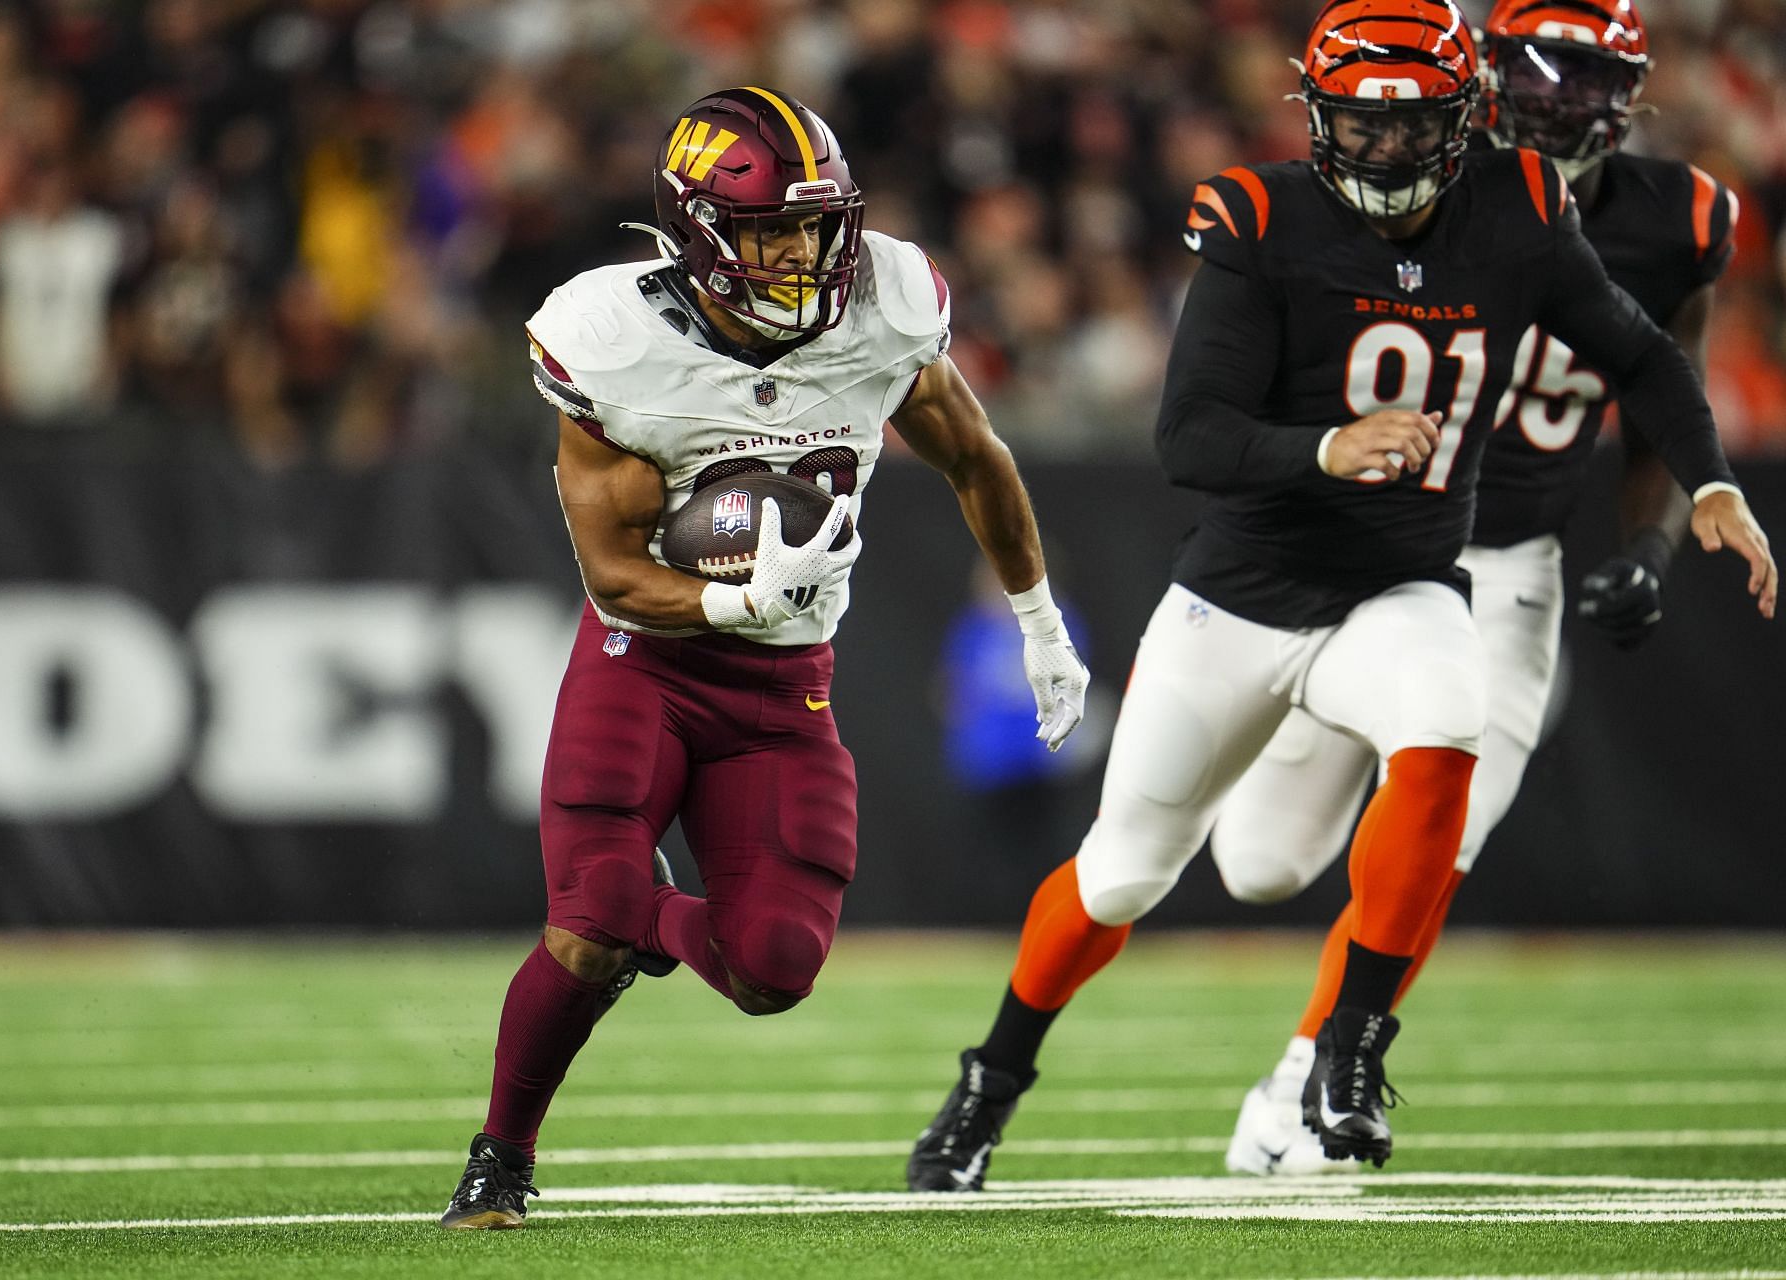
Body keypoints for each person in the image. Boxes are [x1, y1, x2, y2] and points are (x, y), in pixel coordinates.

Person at [906, 0, 1774, 1192]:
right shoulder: (1262, 216)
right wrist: (1324, 448)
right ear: (1318, 120)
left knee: (1447, 723)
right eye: (1361, 126)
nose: (1383, 150)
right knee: (1130, 870)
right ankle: (989, 1081)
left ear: (1461, 121)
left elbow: (1642, 351)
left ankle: (1348, 1054)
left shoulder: (1519, 212)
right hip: (1244, 598)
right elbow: (1191, 436)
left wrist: (1706, 483)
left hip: (1407, 581)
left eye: (1412, 124)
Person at [438, 86, 1090, 1229]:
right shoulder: (615, 344)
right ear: (696, 232)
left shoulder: (886, 308)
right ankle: (501, 1154)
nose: (799, 252)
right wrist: (731, 595)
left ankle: (646, 910)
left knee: (772, 970)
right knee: (588, 925)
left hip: (787, 685)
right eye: (766, 230)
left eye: (814, 224)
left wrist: (1037, 622)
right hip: (647, 663)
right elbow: (612, 574)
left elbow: (978, 458)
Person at [1217, 0, 1750, 1176]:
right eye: (1541, 75)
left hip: (1507, 567)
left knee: (1440, 839)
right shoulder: (1412, 198)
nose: (1562, 103)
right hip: (1355, 552)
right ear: (1479, 81)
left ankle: (1310, 1070)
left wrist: (1654, 545)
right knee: (1258, 860)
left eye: (1590, 79)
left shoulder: (1679, 223)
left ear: (1633, 92)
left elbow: (1668, 393)